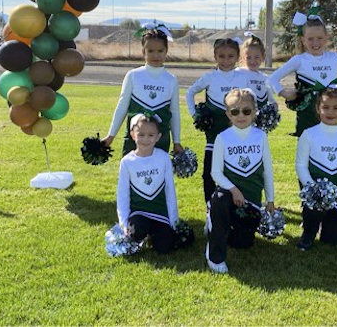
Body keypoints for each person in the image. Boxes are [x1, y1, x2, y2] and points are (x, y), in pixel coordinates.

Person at [205, 89, 275, 273]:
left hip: (250, 202)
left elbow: (267, 170)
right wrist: (234, 189)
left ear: (254, 112)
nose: (241, 115)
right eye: (235, 111)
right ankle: (215, 256)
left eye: (246, 111)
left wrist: (270, 200)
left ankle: (220, 224)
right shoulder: (222, 138)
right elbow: (216, 173)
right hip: (229, 197)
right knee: (220, 198)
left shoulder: (260, 136)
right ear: (228, 113)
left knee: (242, 243)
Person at [268, 14, 337, 137]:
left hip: (330, 114)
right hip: (307, 117)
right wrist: (283, 93)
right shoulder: (299, 60)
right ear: (303, 40)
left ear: (327, 37)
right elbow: (273, 78)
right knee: (306, 151)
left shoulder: (335, 58)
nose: (315, 42)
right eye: (310, 38)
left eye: (320, 38)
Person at [295, 88, 337, 250]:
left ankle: (329, 225)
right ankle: (308, 232)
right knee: (313, 211)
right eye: (325, 107)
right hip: (315, 196)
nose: (330, 112)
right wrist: (313, 188)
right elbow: (300, 165)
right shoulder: (309, 134)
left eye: (336, 108)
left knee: (331, 240)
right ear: (318, 108)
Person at [185, 38, 249, 203]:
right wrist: (196, 116)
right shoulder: (210, 77)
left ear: (237, 57)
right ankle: (210, 208)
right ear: (215, 56)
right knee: (208, 174)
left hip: (236, 136)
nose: (226, 60)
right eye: (221, 56)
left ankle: (236, 205)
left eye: (230, 56)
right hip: (213, 136)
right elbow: (189, 92)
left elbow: (253, 98)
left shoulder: (243, 77)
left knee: (234, 173)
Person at [103, 25, 183, 156]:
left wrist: (177, 141)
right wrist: (111, 136)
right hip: (134, 140)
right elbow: (122, 107)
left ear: (166, 51)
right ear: (143, 51)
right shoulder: (133, 75)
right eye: (150, 51)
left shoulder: (171, 80)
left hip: (160, 140)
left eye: (160, 51)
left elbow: (174, 112)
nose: (155, 55)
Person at [116, 113, 179, 254]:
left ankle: (154, 235)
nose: (145, 139)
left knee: (165, 248)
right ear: (132, 134)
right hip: (139, 213)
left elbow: (170, 191)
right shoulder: (127, 161)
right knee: (135, 232)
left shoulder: (163, 158)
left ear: (158, 136)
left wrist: (174, 221)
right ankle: (143, 234)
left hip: (159, 213)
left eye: (151, 135)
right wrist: (124, 223)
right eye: (141, 134)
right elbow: (123, 194)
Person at [236, 33, 276, 109]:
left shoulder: (265, 78)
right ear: (243, 58)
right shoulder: (238, 73)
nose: (252, 61)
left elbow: (271, 101)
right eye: (249, 58)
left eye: (256, 57)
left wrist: (274, 109)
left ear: (263, 57)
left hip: (260, 118)